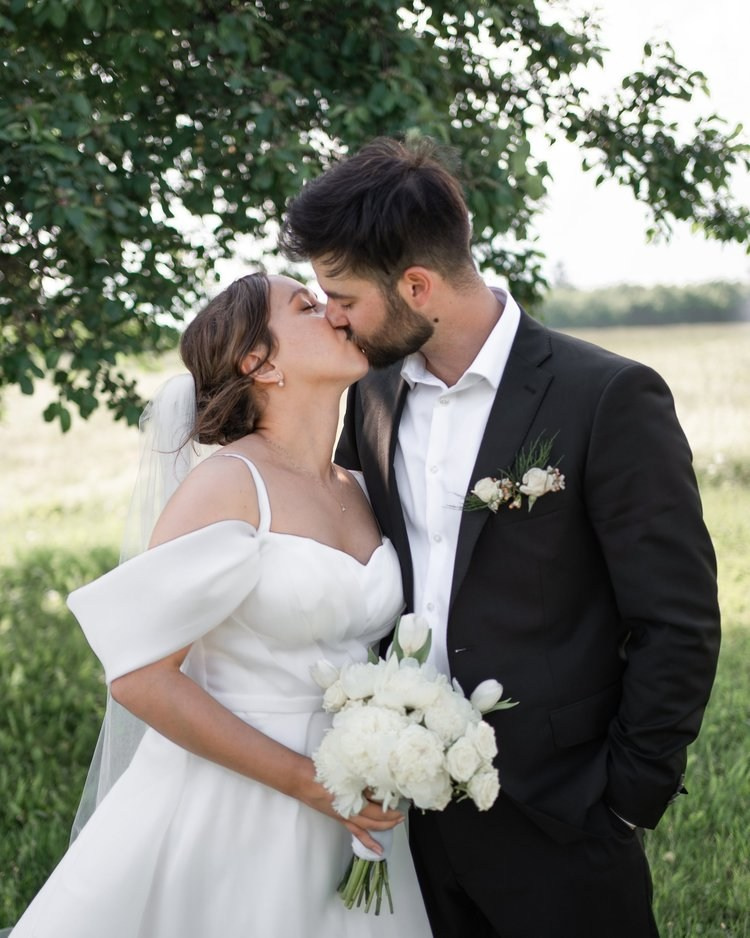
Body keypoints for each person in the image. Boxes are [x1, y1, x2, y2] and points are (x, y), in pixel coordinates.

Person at [278, 136, 722, 938]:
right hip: (413, 815)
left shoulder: (607, 396)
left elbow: (677, 620)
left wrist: (625, 799)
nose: (331, 315)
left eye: (341, 294)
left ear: (416, 285)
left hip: (564, 813)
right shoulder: (372, 396)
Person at [8, 273, 432, 938]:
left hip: (357, 795)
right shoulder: (229, 485)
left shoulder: (357, 484)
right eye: (307, 306)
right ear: (259, 363)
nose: (338, 315)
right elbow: (140, 679)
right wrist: (305, 782)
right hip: (239, 802)